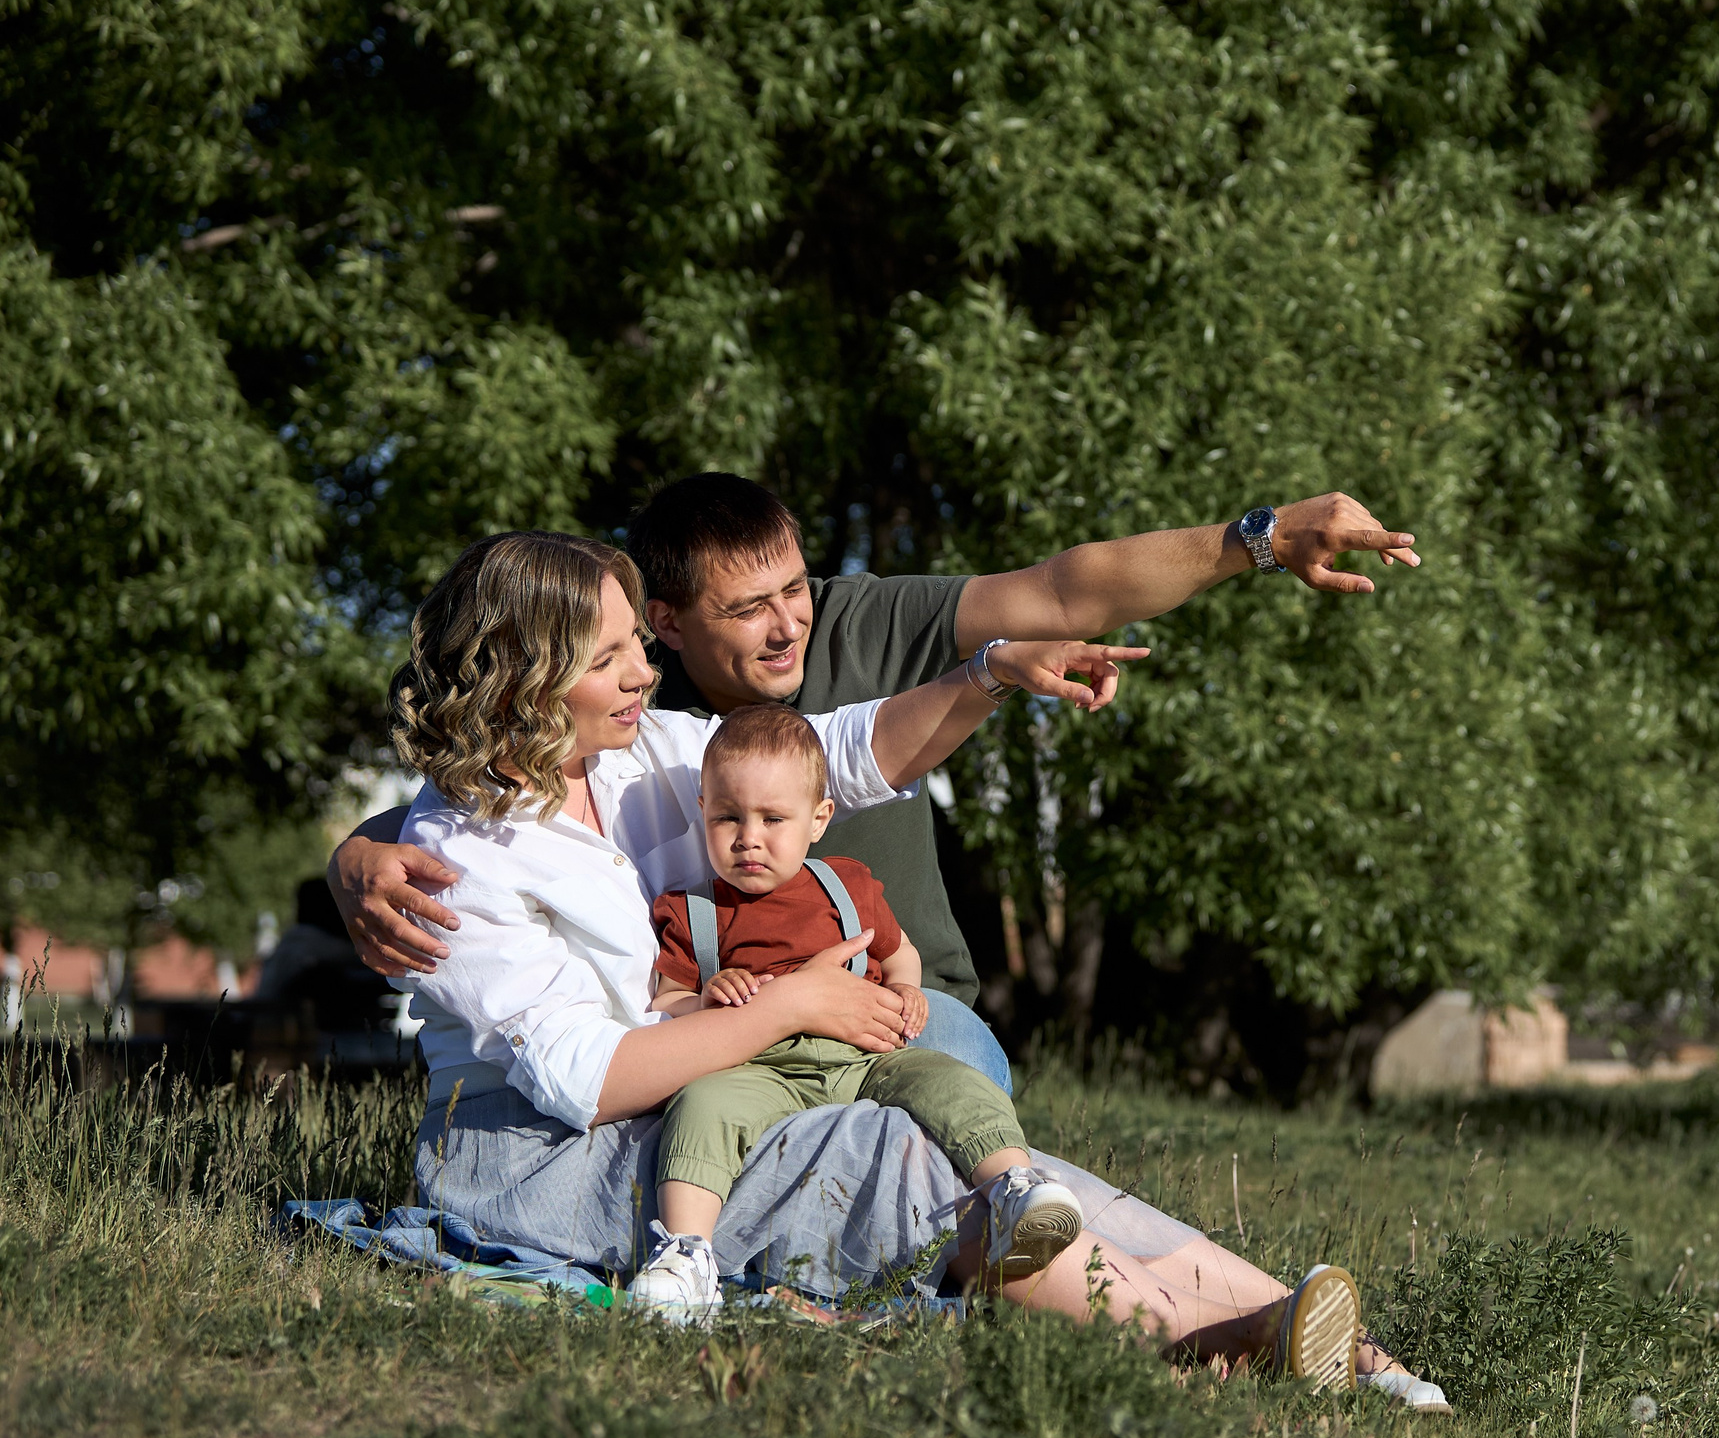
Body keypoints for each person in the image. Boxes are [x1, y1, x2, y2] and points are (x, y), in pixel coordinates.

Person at [390, 528, 1368, 1387]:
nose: (643, 672)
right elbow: (582, 1078)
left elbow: (830, 752)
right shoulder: (458, 853)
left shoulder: (628, 757)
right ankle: (1214, 1342)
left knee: (1000, 1155)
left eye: (636, 646)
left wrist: (982, 675)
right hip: (537, 1165)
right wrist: (791, 1005)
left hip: (684, 1093)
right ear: (525, 674)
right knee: (896, 1148)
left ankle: (1342, 1343)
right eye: (609, 658)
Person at [331, 478, 1422, 1100]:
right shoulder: (632, 723)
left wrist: (1260, 539)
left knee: (945, 1113)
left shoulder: (863, 624)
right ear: (664, 622)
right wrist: (363, 844)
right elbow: (501, 796)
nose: (788, 622)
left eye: (795, 587)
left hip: (903, 996)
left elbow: (1063, 588)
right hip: (723, 1020)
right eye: (747, 606)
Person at [633, 703, 1082, 1322]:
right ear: (702, 810)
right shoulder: (690, 912)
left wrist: (907, 990)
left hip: (862, 1055)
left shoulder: (847, 885)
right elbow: (664, 1001)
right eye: (727, 817)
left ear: (819, 819)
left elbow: (900, 955)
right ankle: (686, 1253)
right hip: (758, 1067)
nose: (748, 837)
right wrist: (704, 999)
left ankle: (1013, 1184)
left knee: (948, 1079)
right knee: (702, 1106)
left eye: (773, 819)